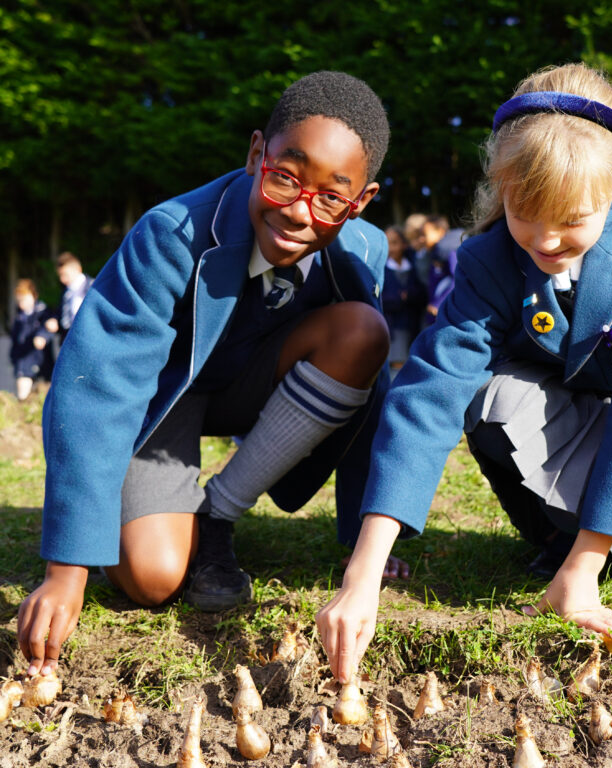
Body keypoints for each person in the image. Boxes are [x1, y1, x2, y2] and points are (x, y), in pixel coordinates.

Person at [317, 63, 612, 683]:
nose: (544, 240)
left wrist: (586, 573)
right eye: (524, 213)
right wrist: (364, 571)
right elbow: (432, 390)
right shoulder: (489, 256)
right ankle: (557, 545)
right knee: (488, 396)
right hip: (576, 412)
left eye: (572, 219)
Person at [17, 71, 404, 678]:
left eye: (332, 197)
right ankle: (166, 515)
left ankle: (218, 512)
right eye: (286, 177)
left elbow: (372, 391)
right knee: (152, 578)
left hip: (260, 386)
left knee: (363, 332)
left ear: (361, 202)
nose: (301, 211)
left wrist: (365, 532)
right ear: (256, 155)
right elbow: (97, 386)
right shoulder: (169, 234)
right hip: (165, 401)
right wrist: (66, 570)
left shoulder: (364, 251)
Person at [381, 225, 426, 375]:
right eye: (387, 243)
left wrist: (410, 296)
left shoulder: (413, 266)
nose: (390, 248)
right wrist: (400, 298)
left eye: (394, 243)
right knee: (397, 368)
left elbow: (423, 292)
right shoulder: (381, 269)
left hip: (414, 324)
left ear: (404, 244)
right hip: (393, 327)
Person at [9, 279, 55, 400]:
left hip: (42, 362)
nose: (21, 303)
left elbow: (50, 327)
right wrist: (14, 359)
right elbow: (16, 342)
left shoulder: (43, 312)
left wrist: (42, 337)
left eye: (24, 298)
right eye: (19, 299)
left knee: (45, 398)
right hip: (23, 363)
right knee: (23, 398)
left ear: (34, 295)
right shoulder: (19, 318)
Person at [421, 215, 463, 324]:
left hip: (448, 316)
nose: (422, 239)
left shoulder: (450, 250)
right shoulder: (435, 254)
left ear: (440, 232)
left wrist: (438, 303)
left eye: (425, 234)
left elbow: (457, 278)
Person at [54, 252, 94, 342]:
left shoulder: (94, 288)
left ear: (78, 269)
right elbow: (61, 316)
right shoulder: (65, 292)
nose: (62, 279)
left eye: (65, 274)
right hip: (69, 340)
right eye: (60, 275)